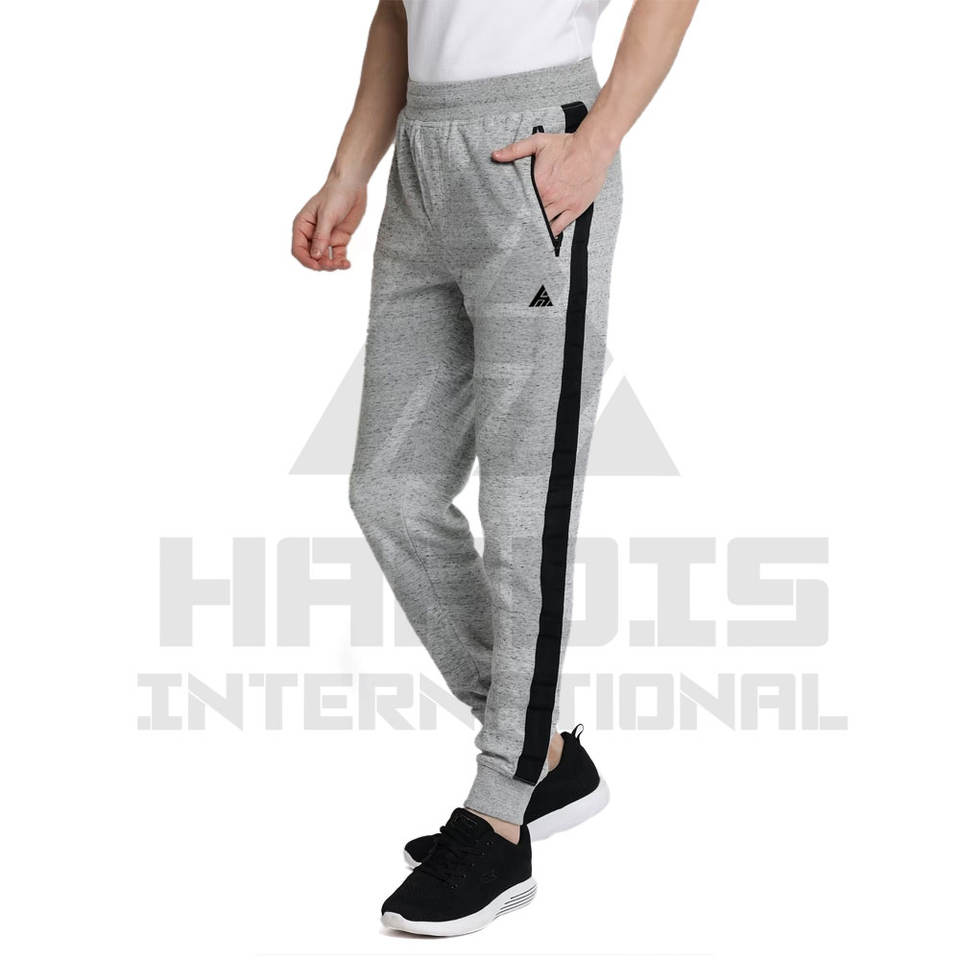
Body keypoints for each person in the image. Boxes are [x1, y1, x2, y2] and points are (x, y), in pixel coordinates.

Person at [292, 0, 699, 936]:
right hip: (422, 158)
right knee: (390, 493)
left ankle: (501, 815)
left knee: (524, 513)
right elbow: (397, 15)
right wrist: (349, 172)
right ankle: (538, 751)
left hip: (535, 152)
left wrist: (597, 142)